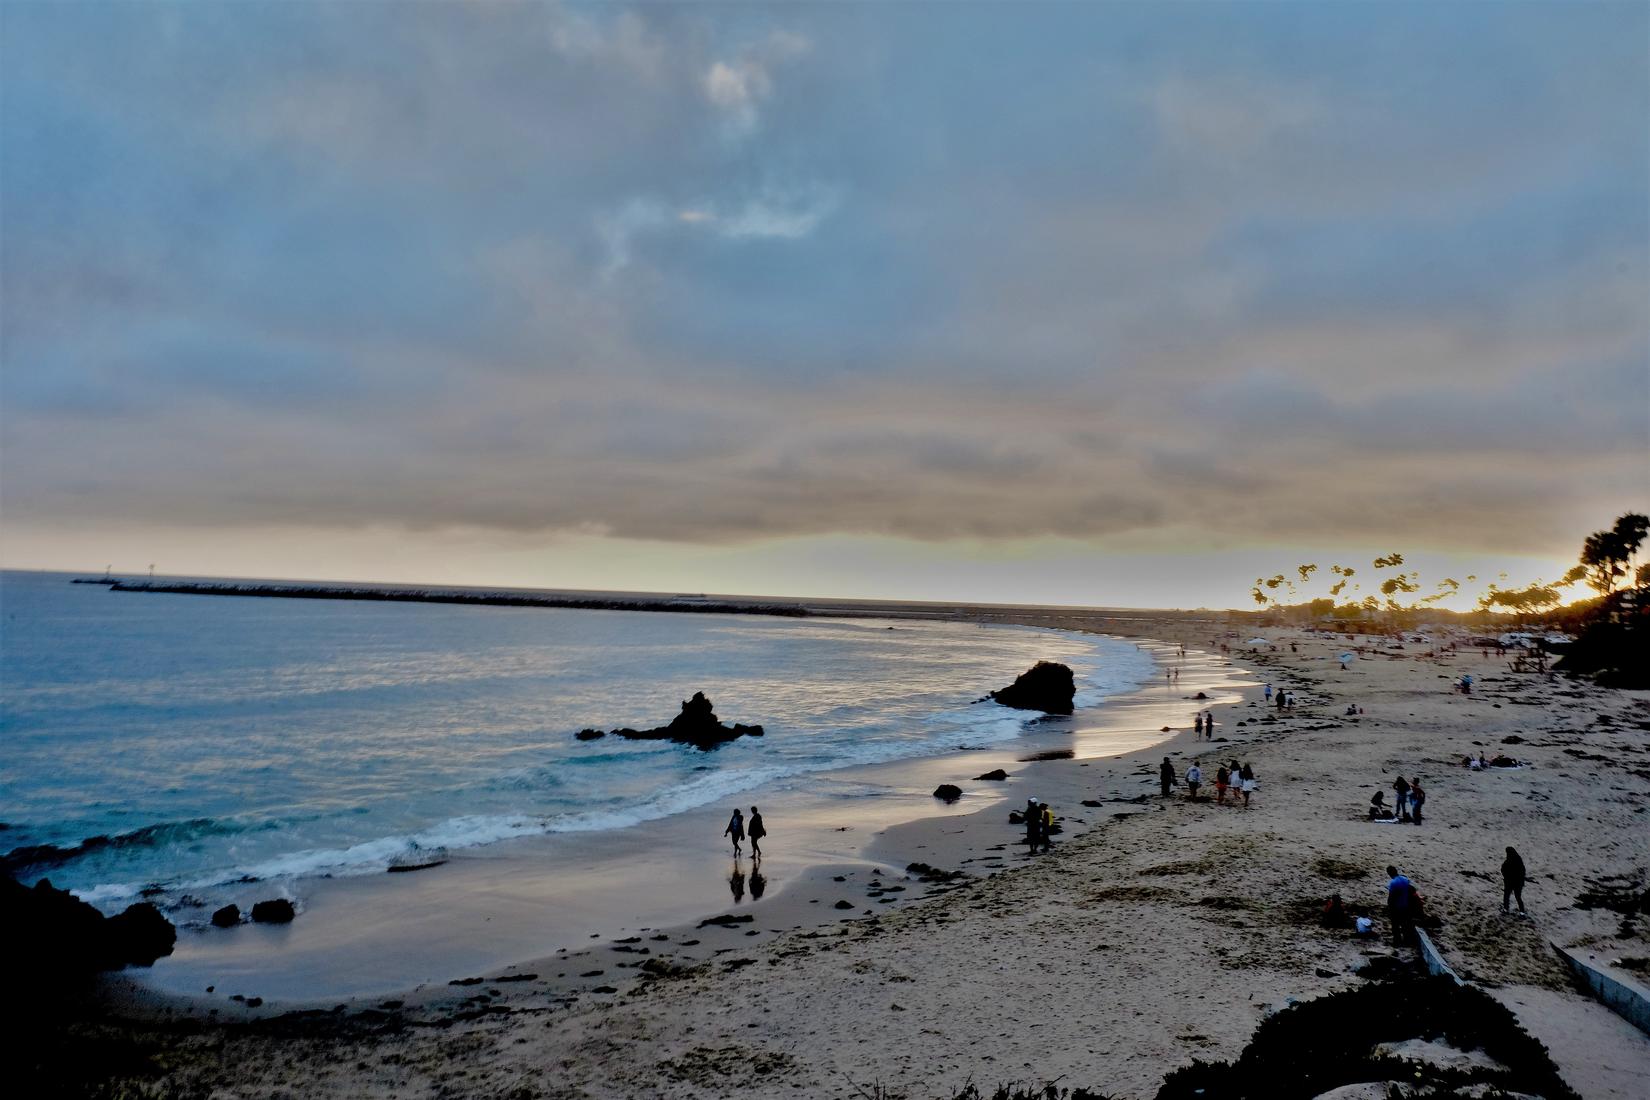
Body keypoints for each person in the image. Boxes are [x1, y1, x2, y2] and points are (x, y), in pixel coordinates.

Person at [1386, 865, 1415, 944]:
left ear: (1389, 873)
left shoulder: (1393, 883)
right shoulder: (1405, 879)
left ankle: (1397, 941)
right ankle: (1407, 940)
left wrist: (1389, 906)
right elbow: (1412, 890)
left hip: (1396, 907)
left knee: (1395, 925)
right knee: (1405, 924)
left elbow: (1391, 896)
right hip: (1406, 905)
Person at [1501, 847, 1527, 914]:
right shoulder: (1519, 860)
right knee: (1518, 897)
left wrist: (1506, 876)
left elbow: (1503, 869)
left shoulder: (1508, 861)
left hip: (1509, 882)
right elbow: (1523, 872)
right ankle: (1522, 912)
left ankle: (1505, 909)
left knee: (1506, 896)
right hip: (1518, 883)